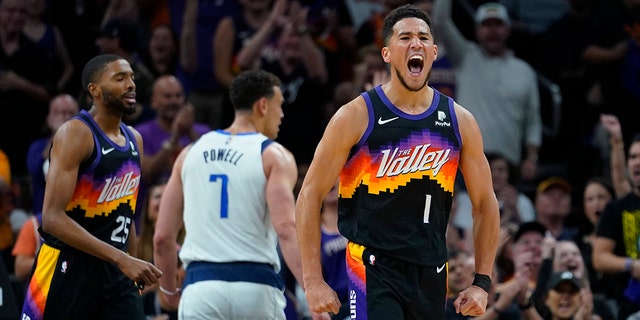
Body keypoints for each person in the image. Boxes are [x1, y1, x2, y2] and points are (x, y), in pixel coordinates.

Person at [295, 4, 500, 319]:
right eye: (405, 37)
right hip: (371, 268)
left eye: (422, 37)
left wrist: (482, 283)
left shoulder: (459, 120)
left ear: (433, 51)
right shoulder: (356, 115)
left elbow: (485, 203)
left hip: (431, 271)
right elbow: (309, 193)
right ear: (387, 53)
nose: (415, 43)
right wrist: (312, 280)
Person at [153, 69, 309, 319]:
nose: (281, 115)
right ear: (262, 105)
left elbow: (162, 237)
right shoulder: (273, 155)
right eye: (279, 106)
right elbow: (286, 228)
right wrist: (312, 289)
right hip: (255, 287)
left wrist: (169, 290)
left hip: (201, 288)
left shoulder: (189, 153)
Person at [20, 54, 163, 320]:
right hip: (68, 265)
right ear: (94, 90)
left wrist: (133, 261)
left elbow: (126, 211)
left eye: (131, 77)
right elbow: (51, 218)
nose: (131, 84)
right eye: (120, 78)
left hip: (116, 273)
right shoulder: (76, 133)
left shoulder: (135, 139)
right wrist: (123, 260)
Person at [432, 0, 542, 180]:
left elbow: (533, 120)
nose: (492, 31)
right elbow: (440, 20)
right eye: (486, 25)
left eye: (498, 25)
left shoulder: (525, 71)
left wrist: (531, 158)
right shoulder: (465, 57)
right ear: (477, 31)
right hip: (465, 163)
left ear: (507, 30)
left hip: (507, 167)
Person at [593, 133, 640, 319]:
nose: (637, 162)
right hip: (631, 306)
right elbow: (599, 258)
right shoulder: (616, 208)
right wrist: (632, 265)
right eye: (633, 157)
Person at [26, 93, 80, 216]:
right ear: (49, 118)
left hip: (79, 217)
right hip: (44, 217)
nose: (65, 117)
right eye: (59, 113)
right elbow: (37, 173)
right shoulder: (38, 147)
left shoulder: (90, 146)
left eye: (71, 113)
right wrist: (58, 134)